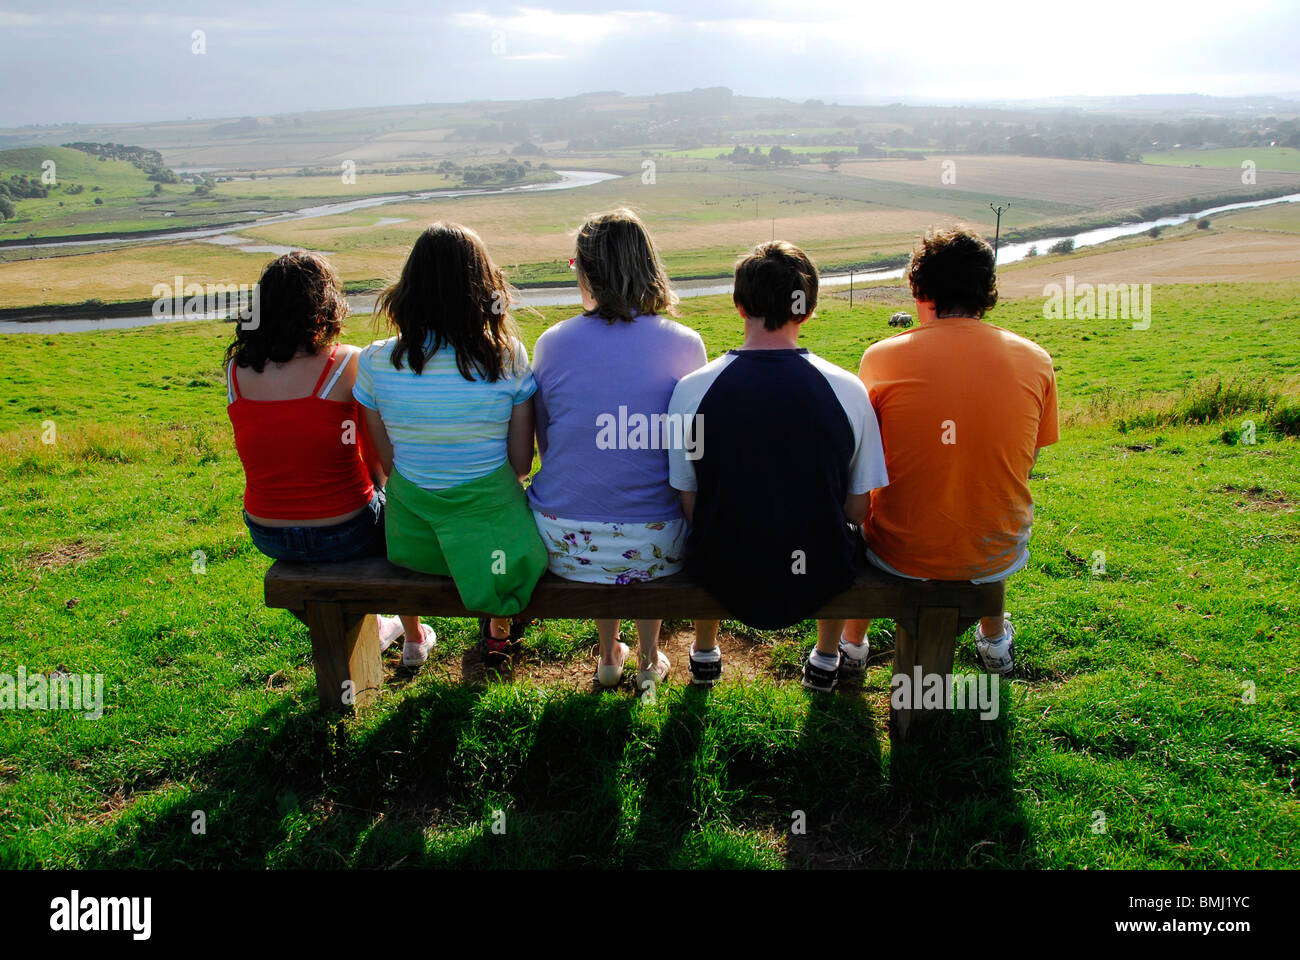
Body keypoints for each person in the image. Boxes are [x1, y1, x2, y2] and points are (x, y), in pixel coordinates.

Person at [667, 241, 889, 691]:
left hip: (721, 563)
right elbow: (857, 511)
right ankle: (827, 657)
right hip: (822, 568)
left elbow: (688, 498)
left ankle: (705, 652)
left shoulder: (691, 390)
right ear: (808, 310)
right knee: (843, 534)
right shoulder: (848, 389)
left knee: (707, 527)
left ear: (738, 304)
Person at [841, 225, 1059, 676]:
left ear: (920, 289)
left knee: (865, 527)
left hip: (900, 551)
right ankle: (995, 642)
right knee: (990, 506)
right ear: (987, 291)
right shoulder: (1036, 359)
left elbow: (866, 459)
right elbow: (1026, 464)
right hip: (995, 549)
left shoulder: (881, 357)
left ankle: (851, 645)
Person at [527, 208, 707, 694]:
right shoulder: (686, 344)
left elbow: (550, 445)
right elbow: (688, 453)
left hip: (565, 540)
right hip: (660, 541)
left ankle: (609, 656)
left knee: (598, 492)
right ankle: (649, 660)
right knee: (649, 507)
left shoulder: (550, 343)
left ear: (587, 270)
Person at [225, 252, 431, 667]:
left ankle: (371, 627)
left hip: (268, 531)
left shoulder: (236, 370)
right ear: (324, 307)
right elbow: (376, 465)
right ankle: (413, 637)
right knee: (395, 517)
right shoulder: (346, 363)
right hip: (343, 529)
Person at [353, 222, 547, 661]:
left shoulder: (374, 361)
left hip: (412, 542)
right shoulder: (508, 355)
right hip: (494, 544)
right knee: (511, 550)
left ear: (409, 288)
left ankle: (429, 634)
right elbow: (520, 464)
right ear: (484, 288)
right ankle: (498, 626)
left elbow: (386, 463)